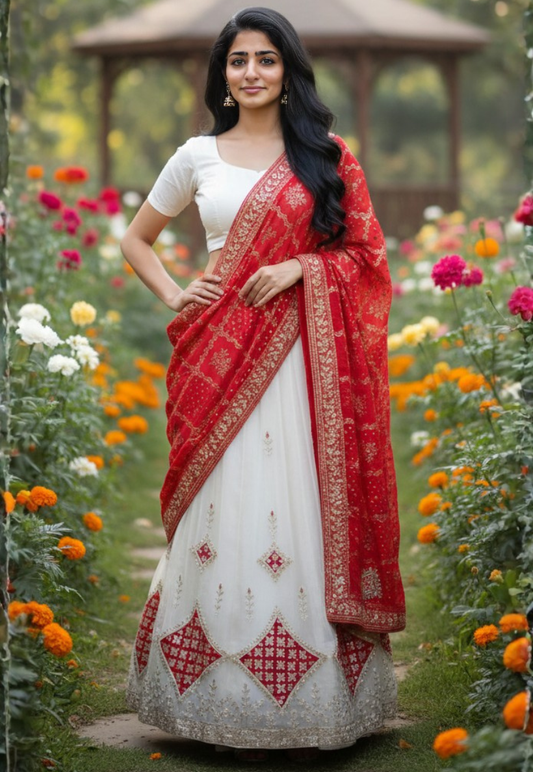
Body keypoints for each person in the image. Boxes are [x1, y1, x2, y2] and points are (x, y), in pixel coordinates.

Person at [121, 6, 405, 761]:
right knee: (223, 498)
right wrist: (175, 292)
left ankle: (316, 702)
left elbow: (367, 260)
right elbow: (136, 238)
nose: (250, 72)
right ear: (222, 73)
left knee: (299, 505)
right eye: (238, 60)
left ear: (287, 73)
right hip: (218, 354)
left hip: (301, 366)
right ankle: (210, 698)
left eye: (265, 60)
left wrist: (301, 268)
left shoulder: (326, 156)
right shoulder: (197, 155)